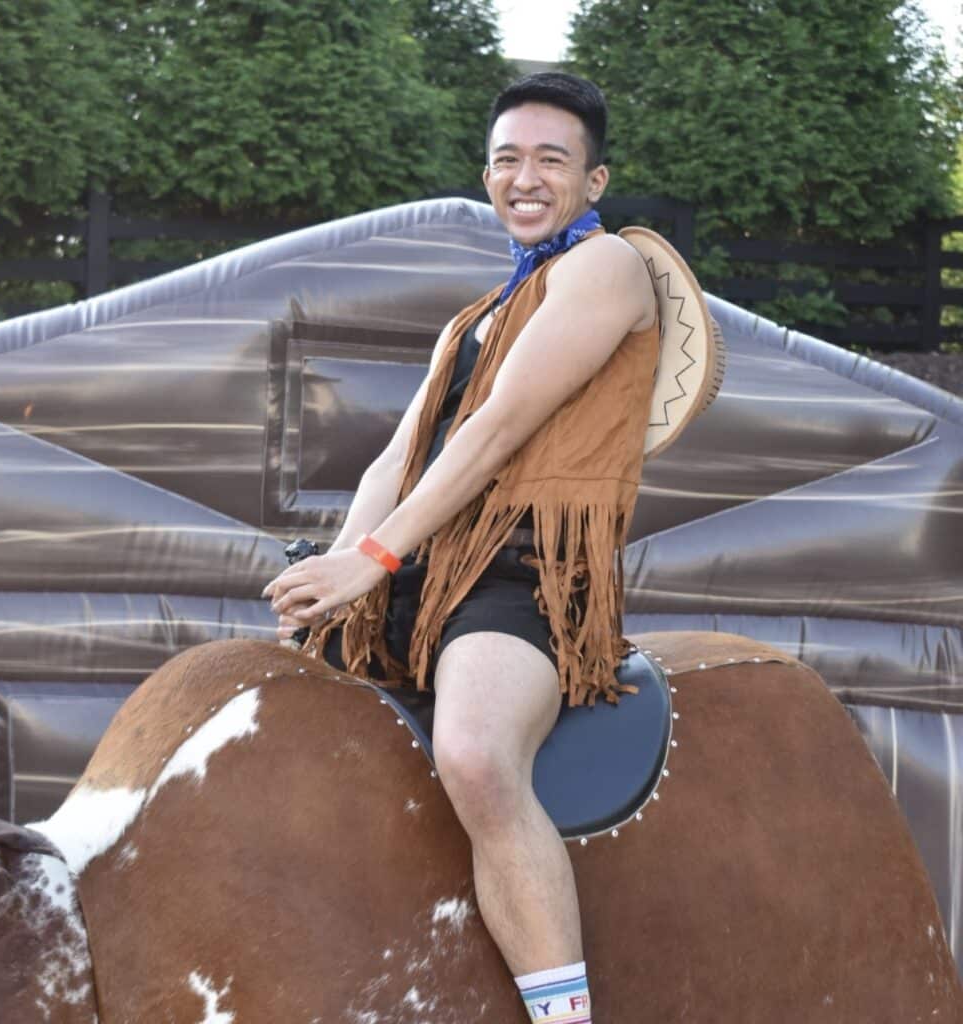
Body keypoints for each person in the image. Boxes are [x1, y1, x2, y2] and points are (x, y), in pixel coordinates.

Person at [263, 72, 659, 1024]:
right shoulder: (471, 316)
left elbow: (496, 433)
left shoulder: (610, 268)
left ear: (594, 181)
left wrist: (377, 559)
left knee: (477, 755)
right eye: (507, 159)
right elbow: (398, 458)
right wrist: (338, 575)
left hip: (525, 576)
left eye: (550, 160)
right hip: (418, 566)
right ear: (487, 175)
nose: (525, 177)